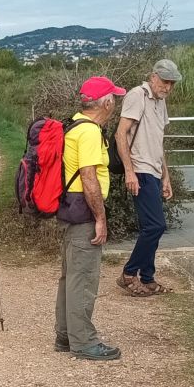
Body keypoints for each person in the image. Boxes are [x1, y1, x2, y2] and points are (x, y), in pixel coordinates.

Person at [55, 76, 126, 360]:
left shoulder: (73, 125)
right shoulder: (89, 133)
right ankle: (83, 341)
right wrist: (101, 218)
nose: (116, 104)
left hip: (69, 208)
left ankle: (65, 335)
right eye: (115, 99)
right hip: (83, 210)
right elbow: (89, 177)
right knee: (83, 277)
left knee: (70, 276)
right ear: (106, 102)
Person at [114, 58, 182, 296]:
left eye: (172, 83)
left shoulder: (160, 101)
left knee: (150, 227)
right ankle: (129, 273)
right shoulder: (137, 95)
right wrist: (129, 171)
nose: (168, 87)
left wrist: (166, 176)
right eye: (165, 81)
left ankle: (148, 277)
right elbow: (120, 134)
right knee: (156, 226)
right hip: (140, 169)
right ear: (153, 76)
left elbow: (158, 141)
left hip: (153, 170)